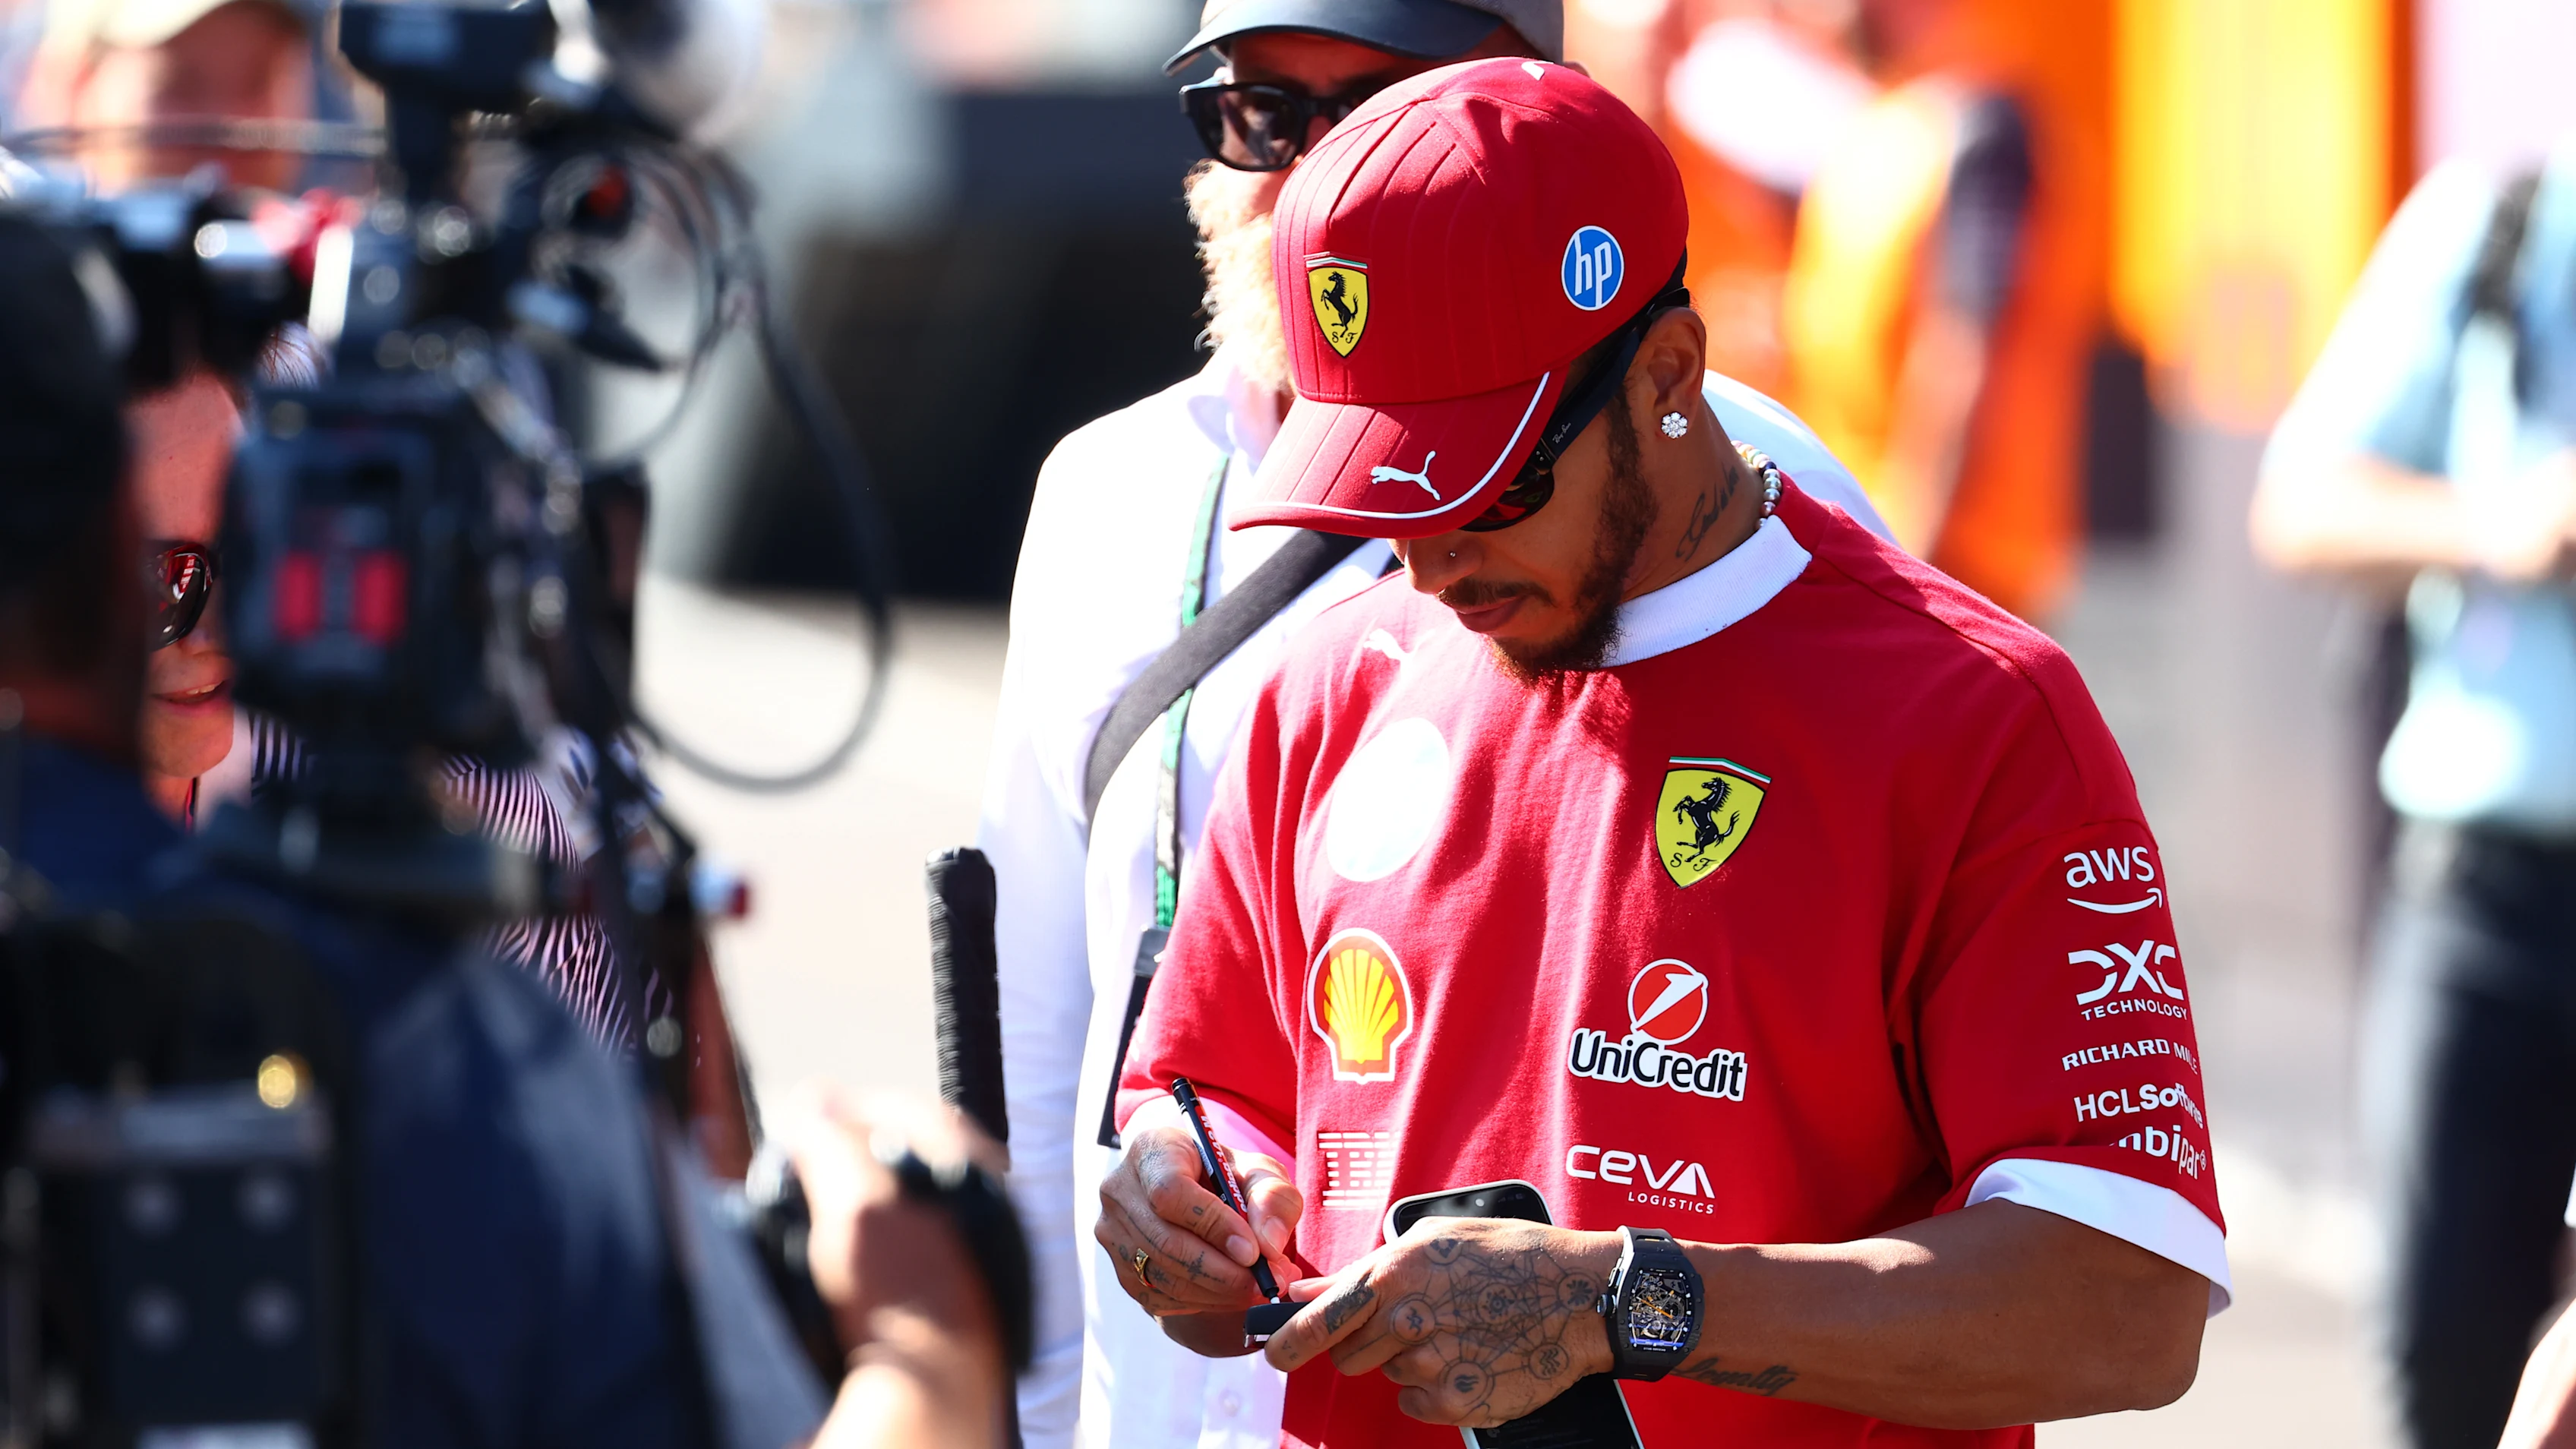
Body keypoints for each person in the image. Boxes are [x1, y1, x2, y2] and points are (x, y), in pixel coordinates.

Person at [1097, 59, 2224, 1447]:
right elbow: (1204, 1103)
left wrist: (1631, 1301)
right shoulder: (1324, 685)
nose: (1434, 556)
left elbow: (2131, 1303)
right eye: (1380, 486)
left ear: (1672, 378)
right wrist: (1175, 1205)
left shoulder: (1977, 716)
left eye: (1487, 479)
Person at [977, 2, 1896, 1445]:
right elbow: (1048, 1053)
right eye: (1264, 112)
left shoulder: (1740, 478)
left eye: (1389, 109)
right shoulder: (1106, 491)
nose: (1316, 171)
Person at [0, 211, 1007, 1449]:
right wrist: (930, 1345)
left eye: (248, 553)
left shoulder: (496, 866)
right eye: (168, 576)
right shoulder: (437, 1028)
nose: (216, 627)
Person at [2252, 147, 2576, 1449]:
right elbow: (2303, 503)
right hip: (2488, 891)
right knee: (2450, 1360)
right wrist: (2506, 524)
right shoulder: (2502, 226)